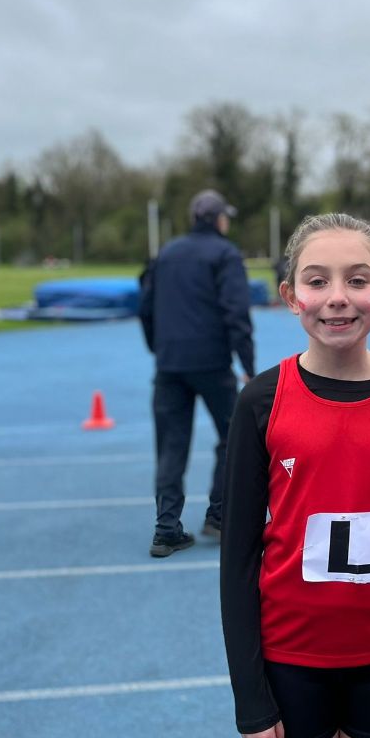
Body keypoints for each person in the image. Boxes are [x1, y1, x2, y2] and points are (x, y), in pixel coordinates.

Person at [220, 213, 370, 738]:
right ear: (290, 296)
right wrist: (248, 693)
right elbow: (238, 559)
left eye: (358, 279)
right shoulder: (260, 401)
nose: (338, 297)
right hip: (290, 659)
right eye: (318, 280)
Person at [138, 189, 255, 558]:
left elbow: (145, 306)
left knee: (170, 445)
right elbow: (236, 312)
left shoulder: (166, 253)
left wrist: (158, 348)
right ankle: (218, 515)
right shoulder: (225, 254)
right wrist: (248, 366)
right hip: (212, 363)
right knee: (234, 435)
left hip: (170, 364)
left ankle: (166, 529)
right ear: (218, 219)